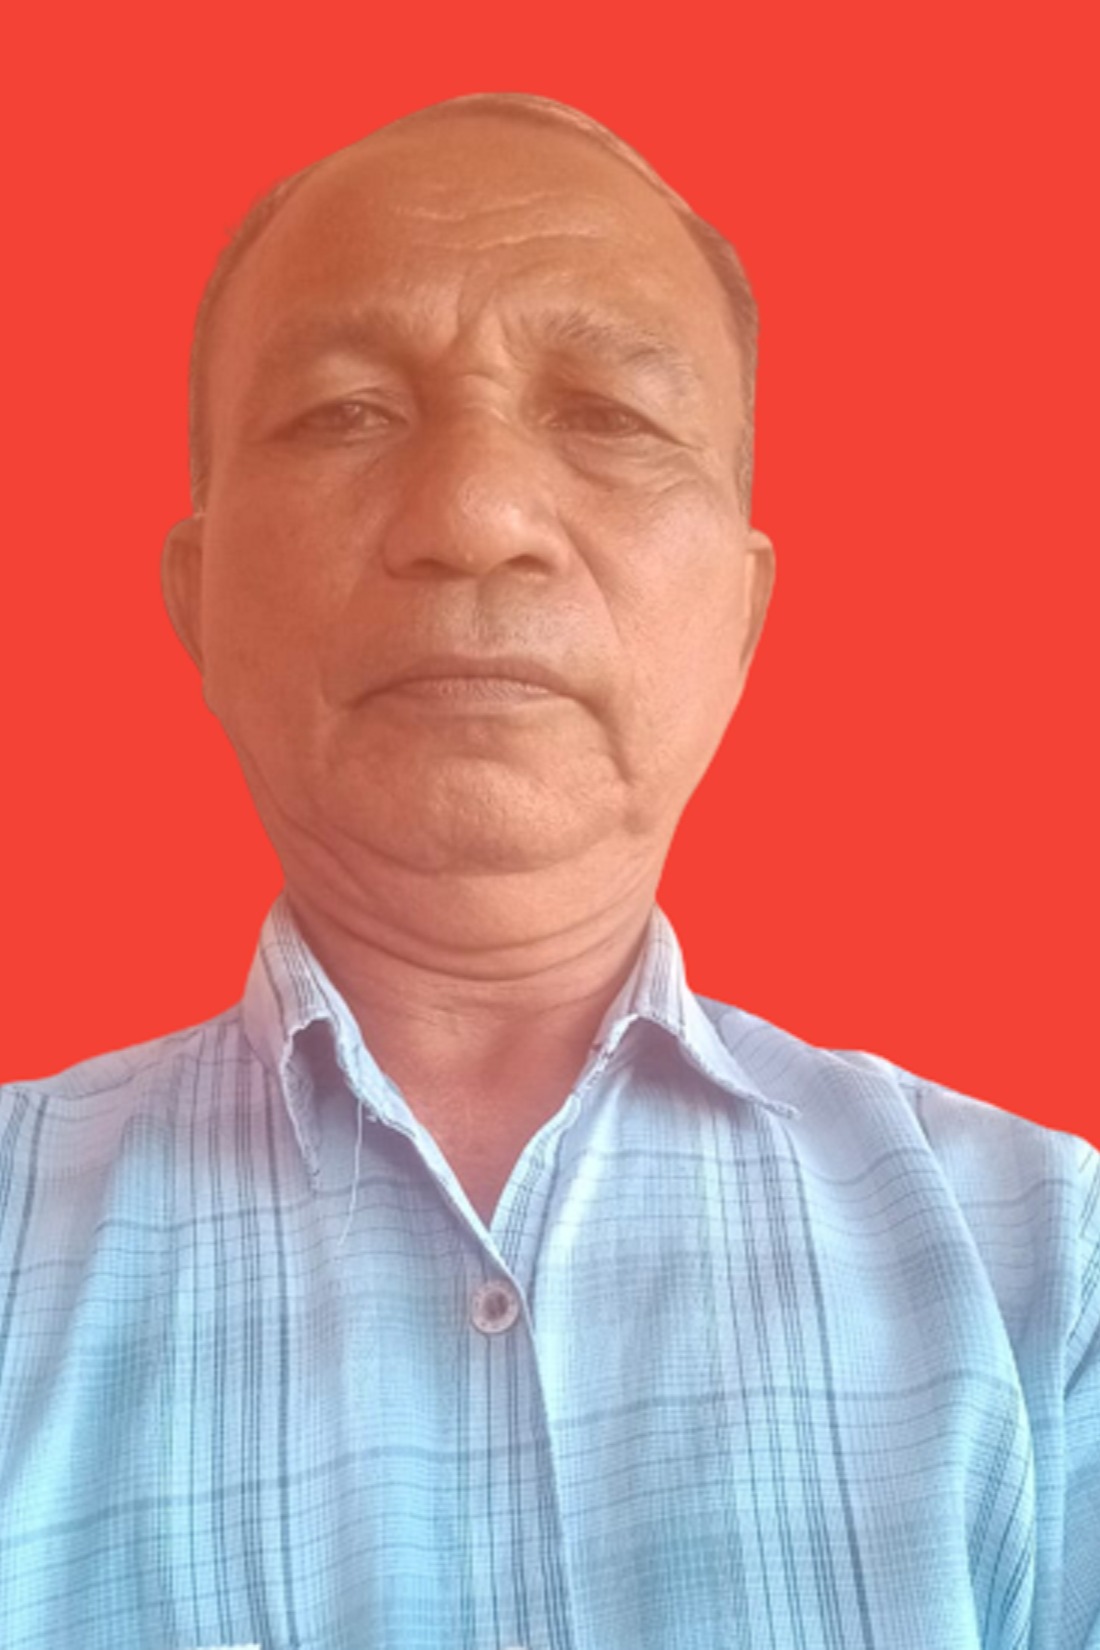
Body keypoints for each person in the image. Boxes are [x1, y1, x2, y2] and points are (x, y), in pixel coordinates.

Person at [0, 93, 1095, 1650]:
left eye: (608, 416)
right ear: (197, 594)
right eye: (346, 412)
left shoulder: (1050, 1273)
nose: (477, 517)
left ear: (743, 615)